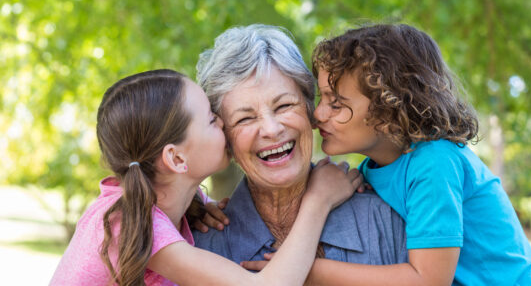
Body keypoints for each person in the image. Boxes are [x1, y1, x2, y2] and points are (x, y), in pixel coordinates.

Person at [49, 69, 361, 286]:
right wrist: (318, 201)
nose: (225, 126)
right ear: (176, 158)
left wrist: (199, 203)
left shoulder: (164, 208)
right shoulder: (129, 221)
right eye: (212, 120)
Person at [310, 23, 531, 285]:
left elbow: (427, 281)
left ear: (388, 110)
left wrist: (309, 271)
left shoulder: (434, 161)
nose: (317, 114)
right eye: (321, 99)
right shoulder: (373, 169)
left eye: (336, 103)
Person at [193, 24, 408, 275]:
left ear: (310, 111)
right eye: (245, 119)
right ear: (225, 139)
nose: (271, 130)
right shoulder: (199, 245)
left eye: (284, 105)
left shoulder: (386, 218)